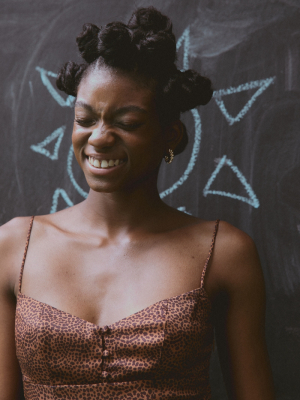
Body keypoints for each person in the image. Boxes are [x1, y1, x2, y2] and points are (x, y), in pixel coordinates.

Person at [0, 6, 275, 400]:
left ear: (170, 135)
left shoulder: (225, 253)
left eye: (127, 123)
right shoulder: (13, 247)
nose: (98, 138)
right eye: (85, 119)